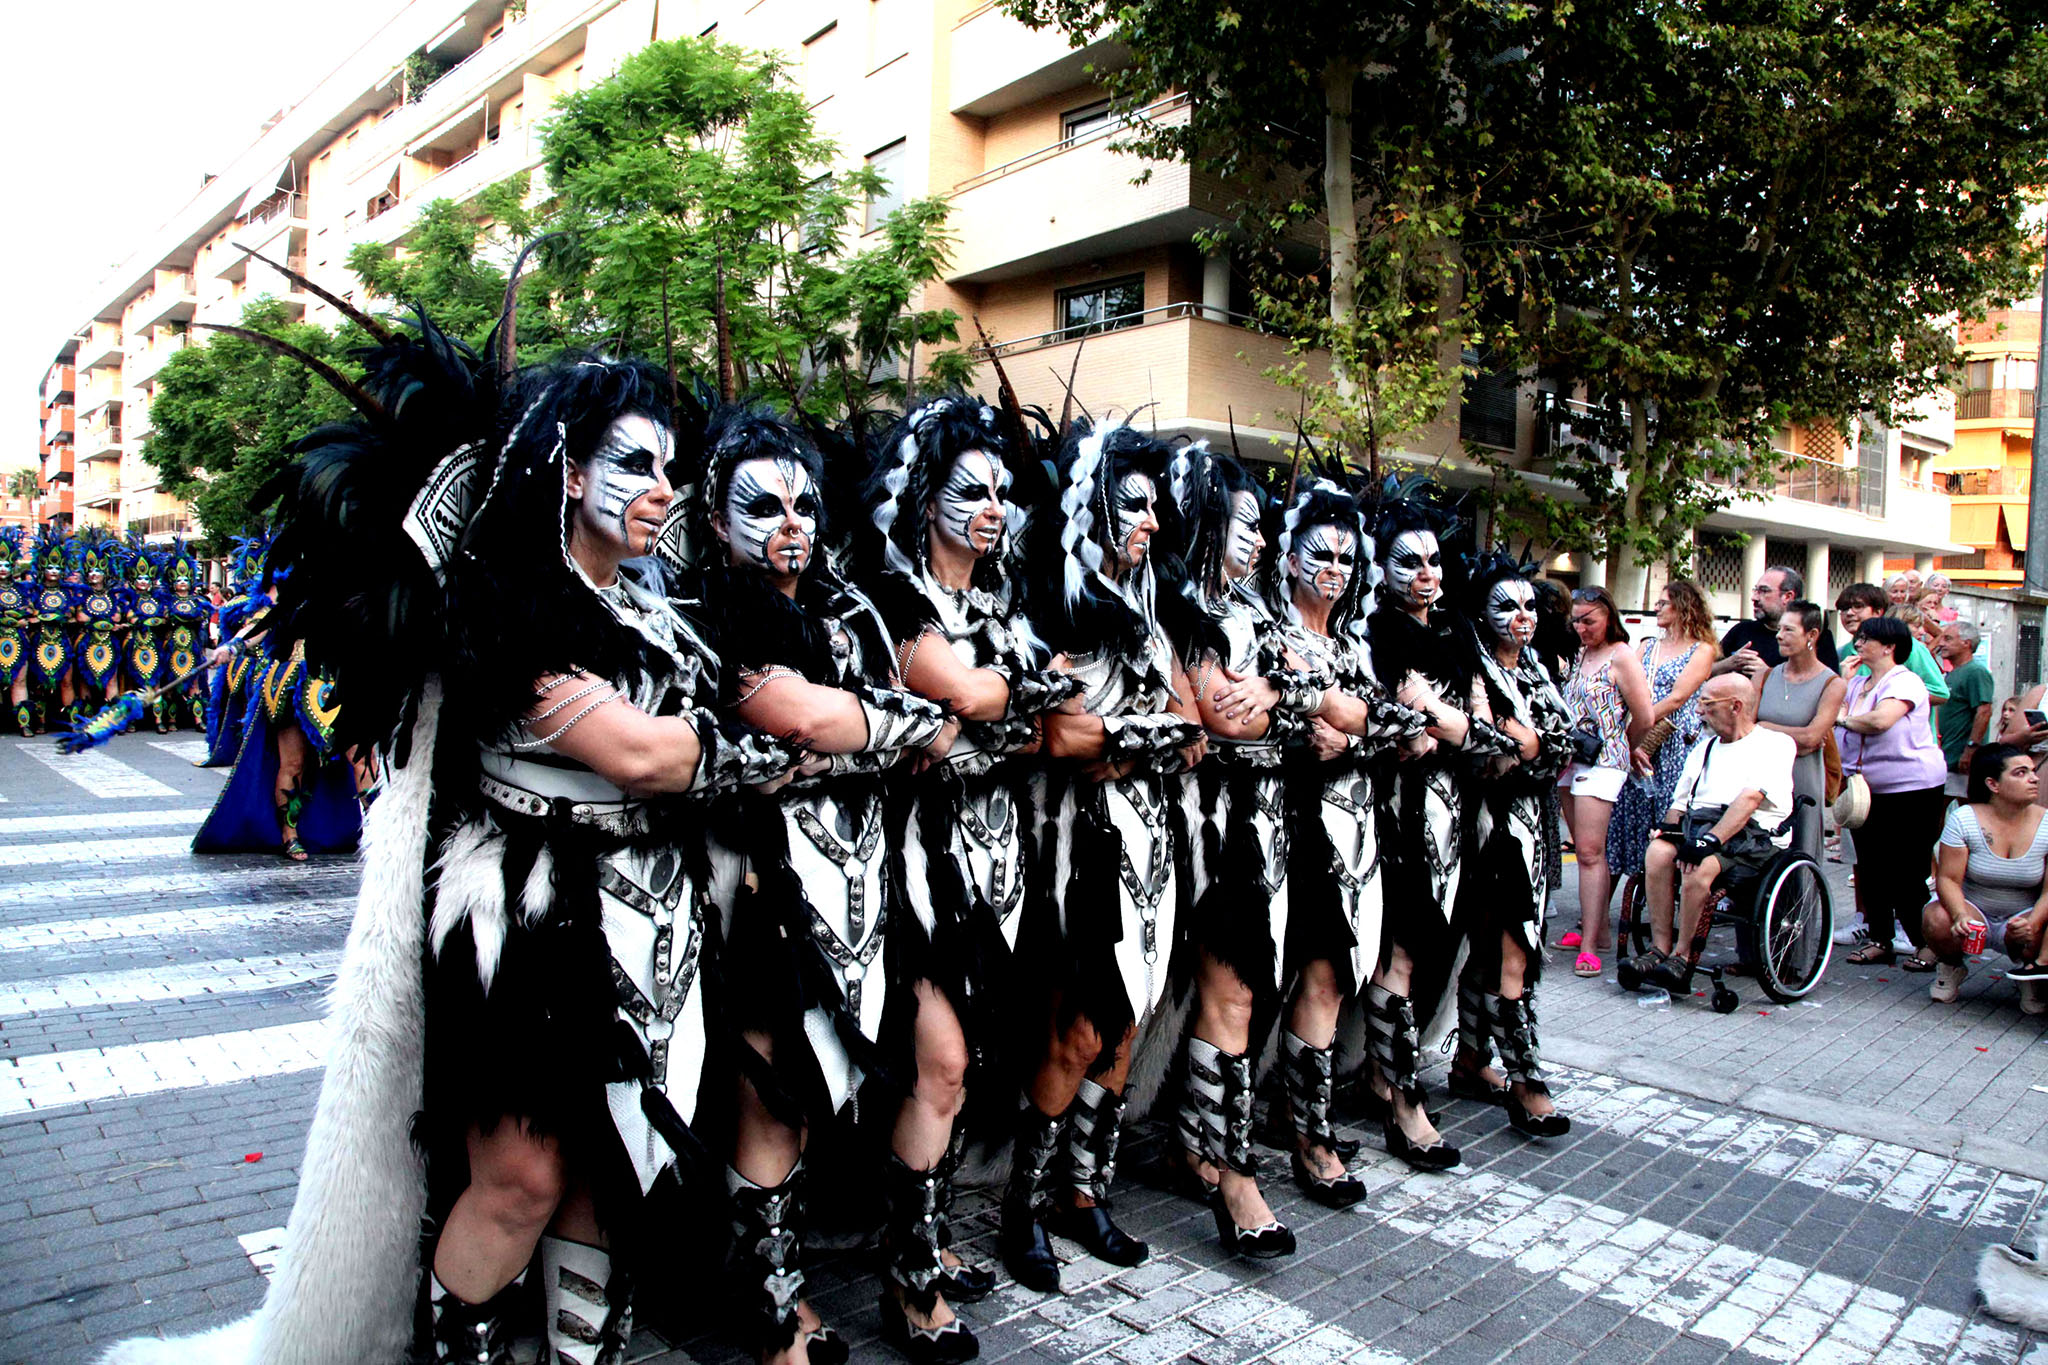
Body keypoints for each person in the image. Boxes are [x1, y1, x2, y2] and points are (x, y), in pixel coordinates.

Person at [698, 407, 955, 1365]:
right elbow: (793, 712)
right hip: (767, 888)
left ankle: (913, 1267)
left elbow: (934, 726)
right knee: (779, 1099)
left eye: (804, 502)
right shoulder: (714, 608)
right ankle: (777, 1311)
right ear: (718, 520)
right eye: (761, 506)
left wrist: (864, 725)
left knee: (945, 1061)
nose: (790, 522)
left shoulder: (853, 607)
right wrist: (892, 720)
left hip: (877, 881)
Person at [857, 394, 1083, 1352]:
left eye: (1001, 493)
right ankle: (907, 1283)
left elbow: (1039, 711)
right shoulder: (894, 597)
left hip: (1000, 864)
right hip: (914, 867)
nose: (992, 507)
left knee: (961, 1069)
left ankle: (932, 1240)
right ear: (922, 497)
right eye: (970, 490)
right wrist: (1003, 697)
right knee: (939, 1065)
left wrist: (991, 708)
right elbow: (963, 690)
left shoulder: (998, 602)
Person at [1004, 419, 1203, 1293]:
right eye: (1133, 506)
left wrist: (1128, 741)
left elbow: (1195, 735)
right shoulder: (1055, 605)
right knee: (1078, 1025)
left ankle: (1084, 1193)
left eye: (1156, 508)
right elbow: (1057, 734)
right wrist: (1135, 737)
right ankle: (1025, 1202)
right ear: (1091, 511)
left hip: (1152, 842)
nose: (1150, 523)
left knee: (1124, 1026)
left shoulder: (1153, 626)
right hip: (1071, 842)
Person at [1157, 444, 1311, 1257]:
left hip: (1270, 822)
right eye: (1238, 527)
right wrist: (1285, 704)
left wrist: (1284, 692)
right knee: (1234, 998)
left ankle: (1199, 1150)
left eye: (1260, 529)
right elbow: (1224, 714)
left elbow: (1300, 700)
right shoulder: (1179, 603)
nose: (1253, 542)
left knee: (1241, 997)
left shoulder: (1256, 609)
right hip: (1206, 826)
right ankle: (1235, 1173)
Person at [1265, 482, 1430, 1200]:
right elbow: (1304, 735)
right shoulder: (1273, 634)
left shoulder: (1350, 644)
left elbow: (1404, 734)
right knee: (1322, 977)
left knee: (1340, 978)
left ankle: (1310, 1117)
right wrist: (1371, 728)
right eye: (1318, 554)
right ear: (1292, 560)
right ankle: (1309, 1138)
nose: (1332, 567)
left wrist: (1360, 732)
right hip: (1297, 830)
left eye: (1343, 555)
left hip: (1365, 831)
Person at [1365, 496, 1517, 1169]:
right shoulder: (1380, 630)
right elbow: (1416, 720)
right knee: (1397, 953)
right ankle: (1401, 1099)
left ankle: (1384, 1073)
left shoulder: (1457, 631)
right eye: (1410, 561)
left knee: (1430, 952)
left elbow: (1478, 726)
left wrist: (1452, 723)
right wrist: (1458, 725)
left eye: (1434, 560)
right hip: (1395, 812)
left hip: (1454, 813)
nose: (1426, 573)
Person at [1451, 555, 1575, 1138]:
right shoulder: (1474, 673)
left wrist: (1537, 746)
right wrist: (1537, 746)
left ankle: (1472, 1060)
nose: (1522, 616)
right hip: (1493, 826)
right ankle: (1526, 1082)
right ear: (1481, 614)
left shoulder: (1536, 669)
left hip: (1537, 819)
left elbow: (1564, 742)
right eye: (1507, 605)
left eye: (1529, 604)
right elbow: (1494, 754)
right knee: (1514, 952)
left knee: (1495, 950)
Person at [1639, 674, 1797, 974]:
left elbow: (1749, 800)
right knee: (1658, 852)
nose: (1699, 710)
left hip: (1753, 837)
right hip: (1702, 826)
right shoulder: (1704, 749)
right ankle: (1659, 947)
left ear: (1735, 706)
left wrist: (1708, 842)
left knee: (1701, 864)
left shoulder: (1775, 744)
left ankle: (1683, 957)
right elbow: (1679, 804)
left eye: (1707, 703)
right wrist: (1669, 831)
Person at [1834, 615, 1948, 967]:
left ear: (1889, 646)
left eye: (1867, 638)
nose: (1859, 643)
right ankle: (1880, 937)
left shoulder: (1906, 681)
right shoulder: (1857, 684)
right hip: (1868, 790)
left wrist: (1842, 719)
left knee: (1907, 869)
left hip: (1912, 787)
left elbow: (1880, 721)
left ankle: (1926, 943)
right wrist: (1843, 682)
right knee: (1869, 867)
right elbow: (1835, 711)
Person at [1556, 585, 1652, 977]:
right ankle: (1595, 930)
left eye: (1589, 620)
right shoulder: (1579, 655)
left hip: (1605, 761)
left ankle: (1593, 941)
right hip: (1573, 759)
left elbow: (1644, 714)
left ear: (1608, 617)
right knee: (1582, 850)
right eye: (1576, 620)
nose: (1581, 628)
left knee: (1592, 853)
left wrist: (1623, 748)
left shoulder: (1621, 655)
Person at [1607, 579, 1716, 902]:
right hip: (1637, 737)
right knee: (1624, 818)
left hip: (1672, 740)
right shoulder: (1647, 645)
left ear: (1683, 607)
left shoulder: (1702, 649)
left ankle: (1660, 893)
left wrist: (1641, 727)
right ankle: (1605, 906)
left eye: (1664, 602)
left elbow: (1678, 697)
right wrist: (1630, 739)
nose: (1657, 608)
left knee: (1666, 813)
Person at [1923, 744, 2048, 1011]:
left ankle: (2029, 974)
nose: (2034, 778)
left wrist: (2033, 923)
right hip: (1974, 910)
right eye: (2021, 773)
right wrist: (1959, 915)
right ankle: (1951, 967)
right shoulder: (1964, 818)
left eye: (2033, 772)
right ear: (1993, 784)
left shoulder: (2047, 822)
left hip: (2024, 914)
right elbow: (1947, 879)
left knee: (2041, 926)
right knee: (1936, 918)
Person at [1754, 601, 1845, 857]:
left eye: (1789, 630)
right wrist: (1795, 737)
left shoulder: (1831, 683)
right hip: (1763, 773)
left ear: (1812, 635)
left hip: (1803, 777)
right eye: (1779, 629)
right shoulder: (1764, 676)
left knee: (1801, 851)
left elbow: (1813, 736)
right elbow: (1746, 729)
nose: (1779, 636)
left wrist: (1764, 726)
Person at [1715, 567, 1841, 681]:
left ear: (1787, 596)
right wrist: (1730, 663)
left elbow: (1826, 686)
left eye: (1764, 591)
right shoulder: (1741, 631)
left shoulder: (1815, 638)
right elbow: (1705, 672)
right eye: (1755, 590)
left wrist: (1768, 674)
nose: (1754, 597)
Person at [1837, 583, 1948, 702]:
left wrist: (1891, 699)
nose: (1849, 613)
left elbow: (1939, 693)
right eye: (1844, 608)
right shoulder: (1843, 651)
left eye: (1858, 606)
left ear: (1878, 611)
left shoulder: (1908, 645)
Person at [1937, 620, 1997, 791]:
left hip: (1961, 761)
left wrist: (1971, 749)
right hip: (1946, 758)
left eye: (1948, 639)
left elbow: (1984, 711)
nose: (1942, 643)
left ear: (1966, 643)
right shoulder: (1952, 674)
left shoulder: (1976, 672)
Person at [0, 530, 31, 734]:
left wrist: (24, 618)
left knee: (19, 680)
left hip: (17, 640)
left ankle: (24, 723)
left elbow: (31, 611)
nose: (2, 569)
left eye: (6, 565)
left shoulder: (21, 589)